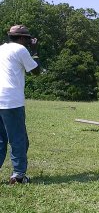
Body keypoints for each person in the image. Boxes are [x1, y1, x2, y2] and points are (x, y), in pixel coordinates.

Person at [0, 25, 40, 184]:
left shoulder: (1, 49)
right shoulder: (21, 50)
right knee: (19, 139)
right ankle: (18, 176)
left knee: (1, 140)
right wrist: (35, 50)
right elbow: (36, 71)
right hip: (11, 101)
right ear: (23, 38)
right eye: (28, 38)